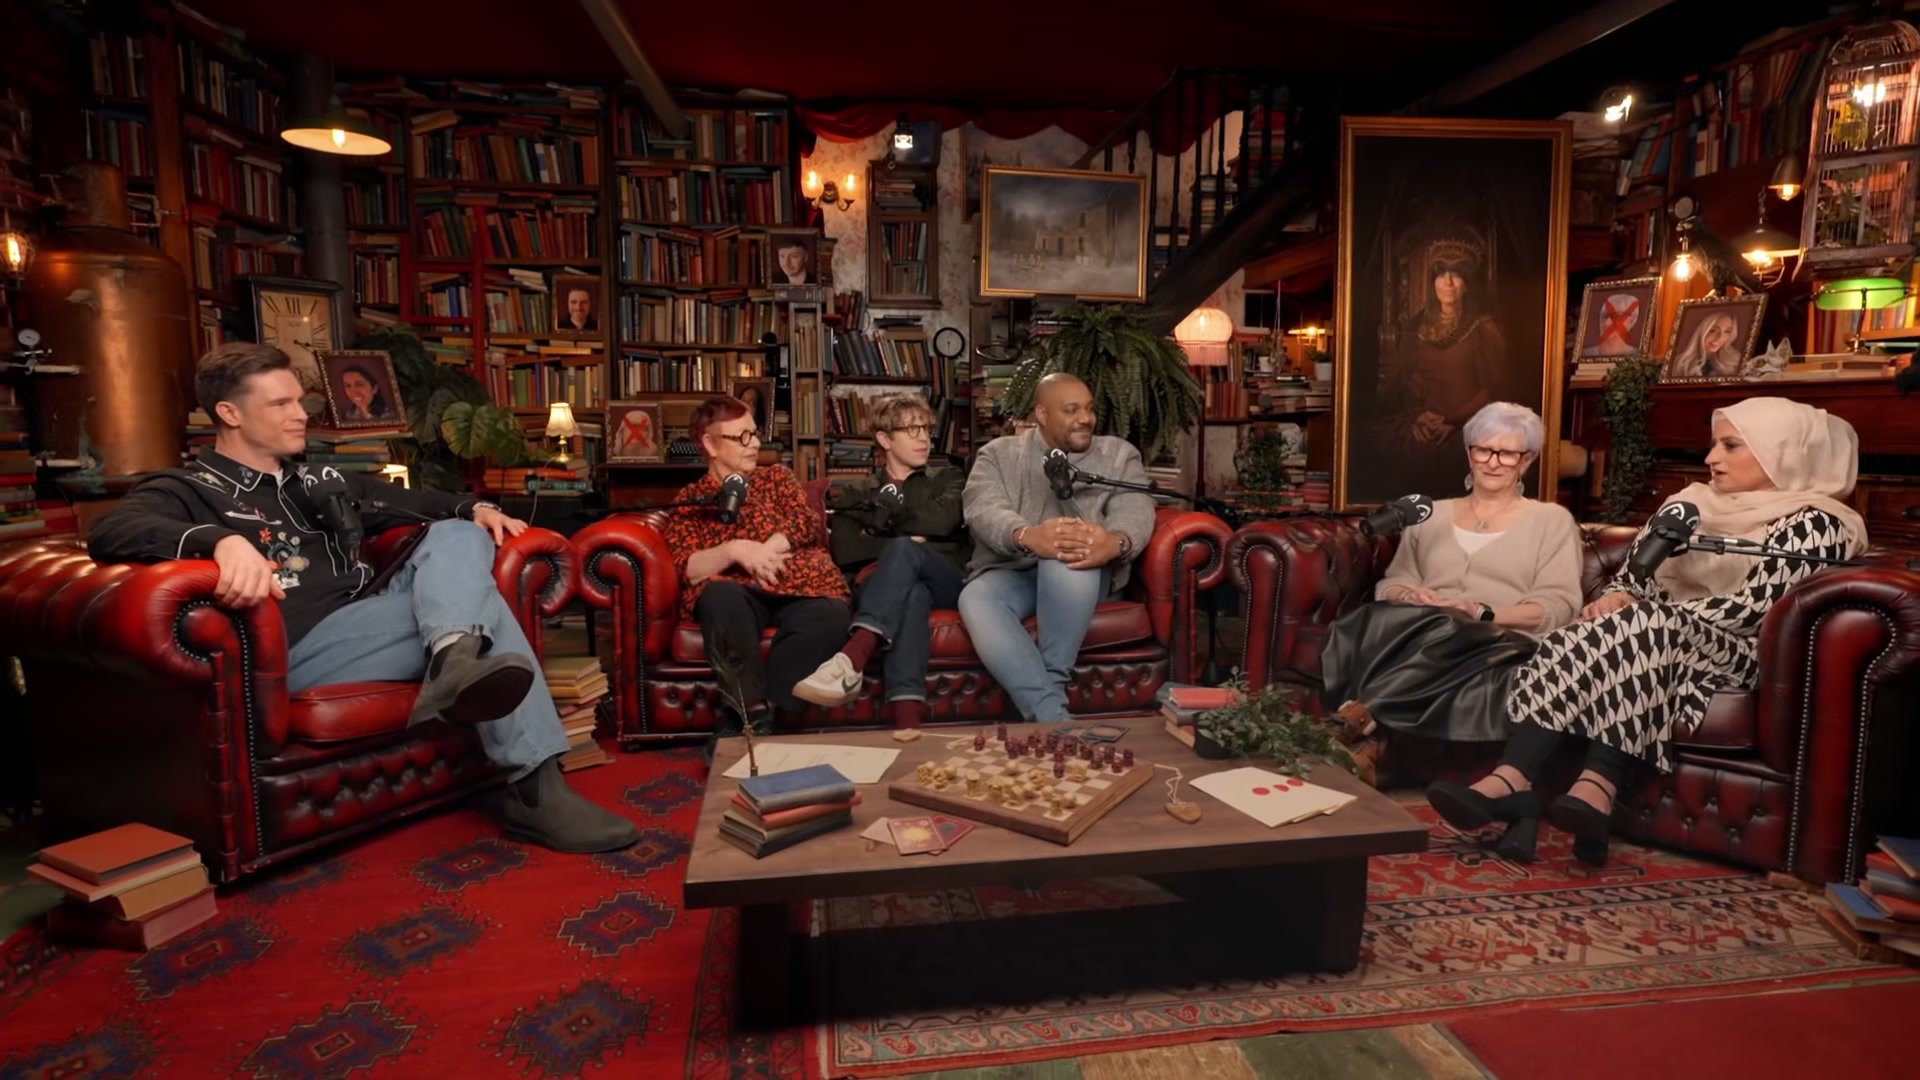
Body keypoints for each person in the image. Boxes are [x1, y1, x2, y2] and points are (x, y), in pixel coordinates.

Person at [86, 343, 639, 854]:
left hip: (370, 621)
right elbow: (113, 531)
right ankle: (534, 786)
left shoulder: (318, 479)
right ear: (229, 413)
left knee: (457, 533)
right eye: (280, 404)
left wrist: (474, 509)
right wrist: (220, 541)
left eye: (300, 401)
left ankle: (456, 658)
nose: (300, 415)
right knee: (485, 608)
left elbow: (421, 502)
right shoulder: (188, 489)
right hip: (298, 649)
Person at [1427, 397, 1867, 865]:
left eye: (1730, 446)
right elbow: (1634, 581)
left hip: (1737, 649)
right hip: (1652, 640)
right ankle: (1533, 782)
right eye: (1713, 444)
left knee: (1640, 625)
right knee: (1574, 633)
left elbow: (1750, 611)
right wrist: (1616, 598)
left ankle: (1553, 788)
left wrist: (1645, 616)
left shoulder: (1816, 523)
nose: (1711, 458)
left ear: (1781, 452)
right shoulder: (1688, 506)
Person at [1320, 403, 1583, 796]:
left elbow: (1558, 606)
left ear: (1526, 461)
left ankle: (1360, 723)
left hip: (1501, 641)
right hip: (1425, 627)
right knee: (1386, 618)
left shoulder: (1552, 521)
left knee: (1451, 624)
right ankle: (1367, 740)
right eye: (1484, 449)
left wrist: (1482, 611)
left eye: (1507, 453)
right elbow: (1392, 583)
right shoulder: (1430, 515)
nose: (1493, 462)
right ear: (1468, 453)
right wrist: (1412, 595)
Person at [659, 395, 851, 754]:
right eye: (742, 437)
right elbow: (686, 566)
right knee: (719, 597)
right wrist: (735, 550)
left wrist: (767, 549)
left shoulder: (775, 477)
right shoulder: (693, 499)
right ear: (710, 444)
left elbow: (805, 521)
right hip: (738, 592)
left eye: (755, 434)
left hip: (799, 584)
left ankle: (763, 718)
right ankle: (749, 710)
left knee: (833, 613)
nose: (755, 444)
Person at [958, 373, 1155, 722]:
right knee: (975, 597)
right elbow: (982, 507)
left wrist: (1115, 542)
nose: (1086, 418)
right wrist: (1027, 536)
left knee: (1067, 551)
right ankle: (1052, 714)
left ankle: (1049, 695)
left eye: (1090, 409)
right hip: (1012, 571)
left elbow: (1136, 509)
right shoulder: (998, 454)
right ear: (1042, 414)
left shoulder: (1118, 455)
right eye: (1071, 410)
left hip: (1083, 572)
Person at [794, 393, 970, 726]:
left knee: (904, 551)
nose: (923, 438)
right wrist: (914, 538)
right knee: (911, 591)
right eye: (911, 429)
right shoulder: (857, 492)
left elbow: (943, 520)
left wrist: (885, 525)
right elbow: (847, 550)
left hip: (945, 578)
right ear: (885, 439)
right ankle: (908, 723)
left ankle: (853, 657)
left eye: (926, 429)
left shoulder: (949, 478)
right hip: (882, 585)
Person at [1374, 232, 1508, 497]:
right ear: (1432, 281)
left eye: (1456, 275)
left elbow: (1493, 391)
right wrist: (1417, 419)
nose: (1447, 282)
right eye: (1441, 274)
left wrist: (1452, 421)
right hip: (1424, 425)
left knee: (1455, 460)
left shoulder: (1483, 329)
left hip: (1468, 424)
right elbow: (1406, 384)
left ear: (1467, 284)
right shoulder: (1416, 329)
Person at [1668, 311, 1744, 378]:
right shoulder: (1680, 363)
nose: (1720, 337)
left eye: (1727, 331)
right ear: (1702, 332)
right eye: (1713, 330)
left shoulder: (1735, 362)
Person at [1586, 291, 1644, 358]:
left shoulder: (1638, 356)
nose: (1607, 323)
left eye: (1616, 317)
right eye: (1605, 316)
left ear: (1631, 322)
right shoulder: (1586, 353)